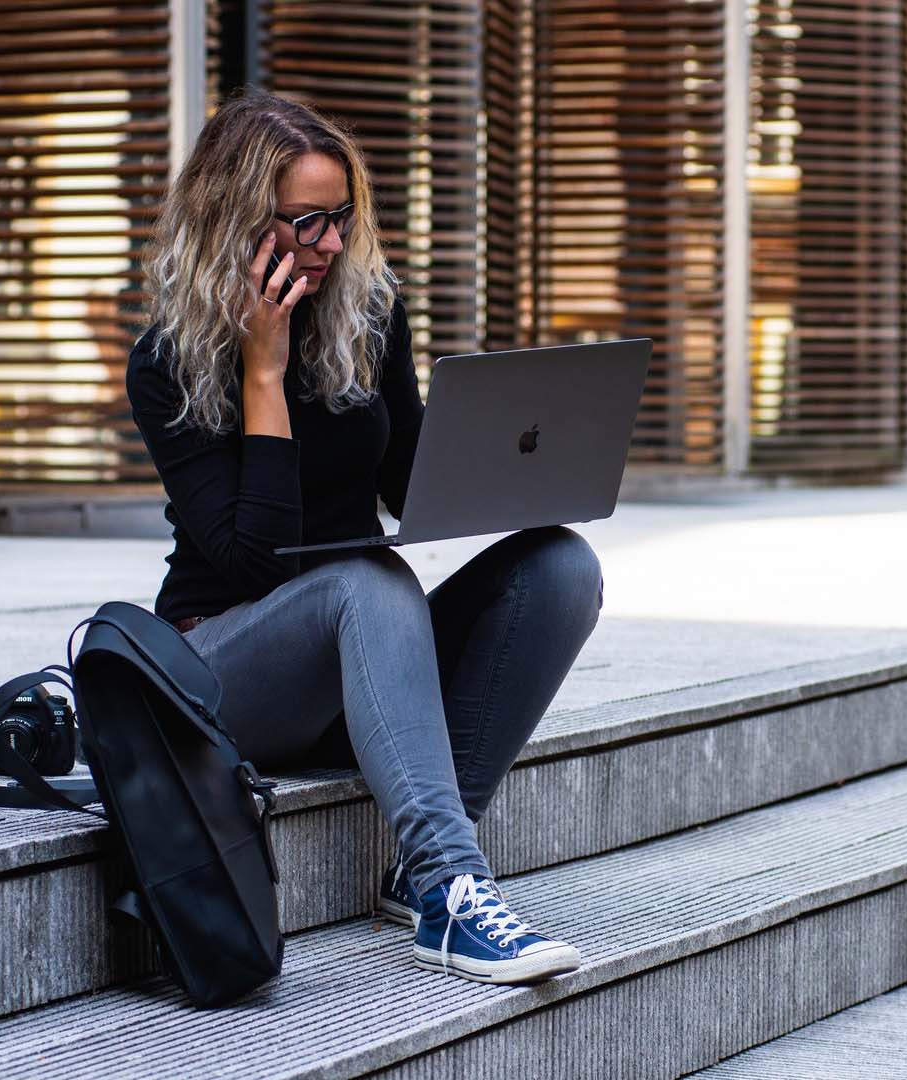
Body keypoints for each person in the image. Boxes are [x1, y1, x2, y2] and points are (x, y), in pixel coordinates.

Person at [125, 91, 603, 986]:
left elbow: (404, 485)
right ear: (236, 223)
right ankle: (450, 891)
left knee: (559, 568)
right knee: (369, 580)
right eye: (308, 224)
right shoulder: (167, 363)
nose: (334, 245)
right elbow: (251, 562)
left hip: (356, 667)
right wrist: (263, 369)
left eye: (342, 217)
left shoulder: (368, 316)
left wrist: (518, 462)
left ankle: (415, 868)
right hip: (225, 674)